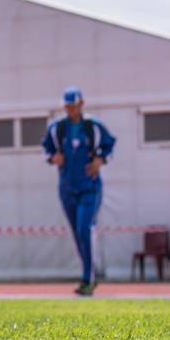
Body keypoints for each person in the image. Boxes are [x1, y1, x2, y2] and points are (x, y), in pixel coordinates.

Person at [41, 87, 116, 296]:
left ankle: (88, 279)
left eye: (73, 105)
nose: (70, 109)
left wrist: (100, 159)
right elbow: (45, 150)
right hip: (66, 187)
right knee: (76, 233)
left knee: (85, 228)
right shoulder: (57, 128)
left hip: (89, 187)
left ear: (81, 104)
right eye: (67, 105)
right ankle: (88, 275)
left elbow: (111, 146)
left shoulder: (94, 126)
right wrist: (52, 158)